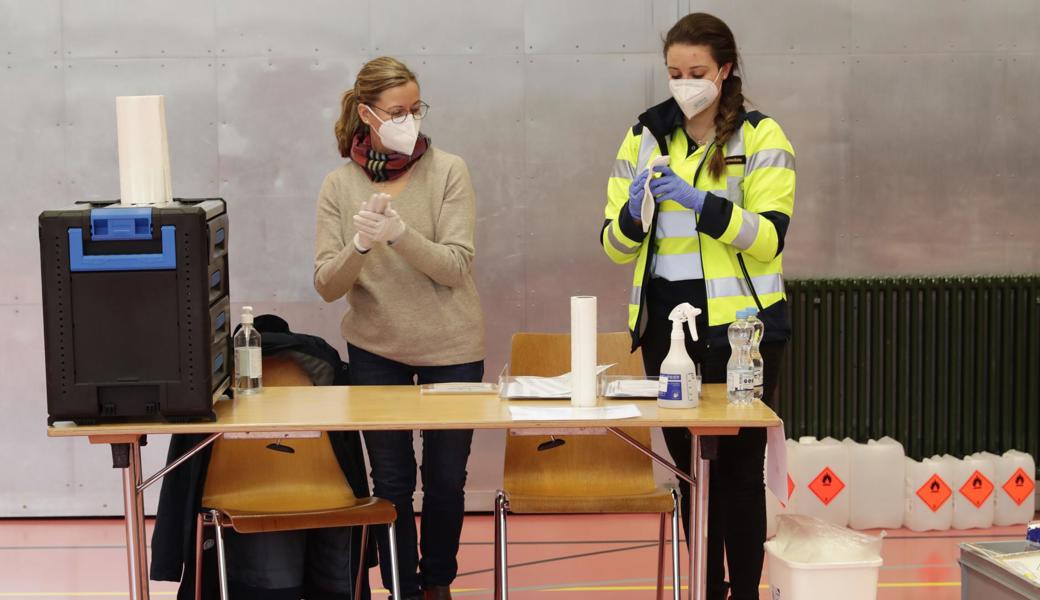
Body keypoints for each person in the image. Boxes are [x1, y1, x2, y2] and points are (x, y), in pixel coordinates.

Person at [599, 13, 795, 600]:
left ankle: (745, 592)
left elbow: (768, 237)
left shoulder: (761, 137)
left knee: (737, 474)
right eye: (674, 73)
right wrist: (634, 215)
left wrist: (699, 202)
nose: (685, 83)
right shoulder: (643, 137)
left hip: (742, 330)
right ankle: (706, 588)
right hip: (667, 330)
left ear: (725, 70)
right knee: (691, 474)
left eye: (697, 72)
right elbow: (612, 245)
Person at [314, 56, 485, 600]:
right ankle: (401, 589)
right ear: (366, 114)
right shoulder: (339, 187)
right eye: (396, 111)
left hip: (452, 347)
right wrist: (360, 245)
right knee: (390, 483)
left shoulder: (449, 170)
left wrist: (399, 233)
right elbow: (326, 284)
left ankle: (437, 585)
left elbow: (456, 265)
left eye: (416, 109)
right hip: (376, 349)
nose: (409, 119)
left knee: (444, 482)